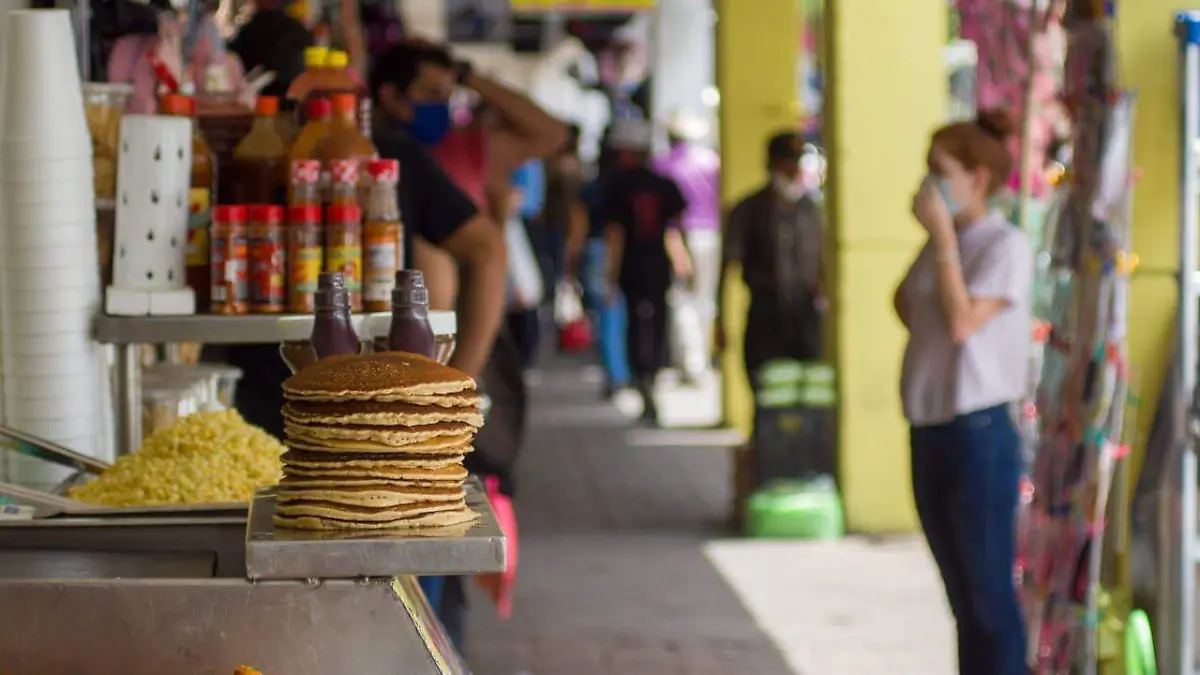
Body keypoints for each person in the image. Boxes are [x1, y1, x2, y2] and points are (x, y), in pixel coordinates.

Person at [895, 109, 1031, 675]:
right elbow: (905, 304)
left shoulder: (1004, 245)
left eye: (940, 172)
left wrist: (946, 238)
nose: (929, 185)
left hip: (979, 433)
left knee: (988, 595)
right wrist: (936, 239)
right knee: (961, 600)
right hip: (930, 428)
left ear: (977, 179)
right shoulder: (943, 244)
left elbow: (960, 322)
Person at [370, 40, 567, 310]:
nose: (441, 107)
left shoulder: (464, 149)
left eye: (446, 97)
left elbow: (552, 134)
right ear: (392, 96)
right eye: (431, 94)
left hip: (461, 319)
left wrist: (469, 77)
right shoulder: (361, 152)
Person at [716, 131, 825, 384]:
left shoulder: (810, 210)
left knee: (805, 391)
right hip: (765, 311)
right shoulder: (749, 209)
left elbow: (822, 262)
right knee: (763, 385)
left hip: (803, 311)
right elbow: (728, 266)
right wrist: (721, 321)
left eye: (796, 159)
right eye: (788, 159)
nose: (793, 167)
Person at [603, 119, 692, 425]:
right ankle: (651, 377)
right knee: (656, 324)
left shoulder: (617, 186)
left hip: (632, 266)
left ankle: (643, 379)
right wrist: (682, 262)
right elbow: (674, 231)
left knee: (635, 327)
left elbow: (615, 235)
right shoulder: (663, 185)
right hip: (657, 266)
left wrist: (610, 273)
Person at [652, 110, 720, 381]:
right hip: (711, 234)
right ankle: (702, 357)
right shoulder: (711, 163)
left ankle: (693, 363)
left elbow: (670, 217)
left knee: (683, 299)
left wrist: (677, 250)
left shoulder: (663, 166)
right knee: (706, 298)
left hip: (682, 236)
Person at [580, 130, 632, 398]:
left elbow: (577, 225)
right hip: (616, 253)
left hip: (597, 251)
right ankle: (621, 373)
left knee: (607, 316)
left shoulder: (592, 187)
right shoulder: (622, 187)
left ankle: (616, 373)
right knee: (616, 315)